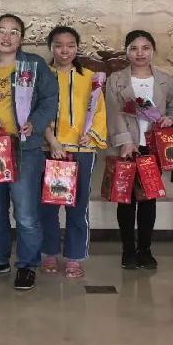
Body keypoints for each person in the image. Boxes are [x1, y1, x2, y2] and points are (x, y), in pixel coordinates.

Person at [0, 13, 59, 290]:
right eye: (1, 30)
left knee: (26, 212)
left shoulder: (33, 65)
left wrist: (36, 123)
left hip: (26, 148)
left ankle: (27, 265)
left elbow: (50, 98)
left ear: (21, 38)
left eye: (14, 32)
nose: (7, 36)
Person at [105, 30, 173, 270]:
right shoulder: (116, 79)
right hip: (127, 146)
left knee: (149, 199)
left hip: (153, 147)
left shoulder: (165, 80)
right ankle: (128, 250)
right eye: (134, 48)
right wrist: (125, 142)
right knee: (126, 200)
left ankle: (145, 250)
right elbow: (113, 111)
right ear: (126, 51)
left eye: (145, 48)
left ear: (153, 51)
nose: (140, 53)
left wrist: (171, 118)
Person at [39, 26, 108, 278]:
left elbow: (99, 111)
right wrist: (53, 142)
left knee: (78, 207)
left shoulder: (90, 78)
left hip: (82, 150)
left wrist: (92, 134)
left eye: (70, 45)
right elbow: (36, 111)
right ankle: (49, 253)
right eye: (58, 45)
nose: (64, 50)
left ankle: (74, 257)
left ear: (77, 48)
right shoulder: (42, 76)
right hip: (49, 149)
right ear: (51, 48)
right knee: (47, 206)